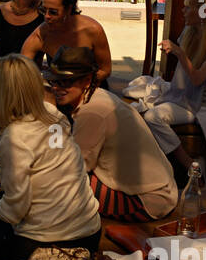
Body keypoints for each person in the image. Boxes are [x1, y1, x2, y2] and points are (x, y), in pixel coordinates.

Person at [0, 54, 102, 260]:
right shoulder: (52, 114)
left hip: (48, 244)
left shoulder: (15, 138)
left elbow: (12, 212)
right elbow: (48, 167)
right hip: (89, 231)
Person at [44, 46, 178, 221]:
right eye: (55, 81)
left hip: (146, 201)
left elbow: (75, 167)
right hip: (161, 190)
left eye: (66, 82)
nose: (57, 88)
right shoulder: (98, 96)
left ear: (87, 80)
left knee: (53, 182)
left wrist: (50, 116)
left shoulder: (92, 112)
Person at [144, 0, 206, 189]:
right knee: (152, 117)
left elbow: (197, 78)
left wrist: (179, 53)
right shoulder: (191, 32)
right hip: (188, 101)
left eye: (188, 8)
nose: (183, 11)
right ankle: (192, 166)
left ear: (204, 12)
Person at [20, 0, 112, 87]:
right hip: (59, 90)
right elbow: (22, 67)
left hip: (91, 88)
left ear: (68, 9)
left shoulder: (92, 30)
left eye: (53, 12)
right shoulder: (41, 34)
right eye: (43, 10)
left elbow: (105, 70)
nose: (46, 16)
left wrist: (78, 86)